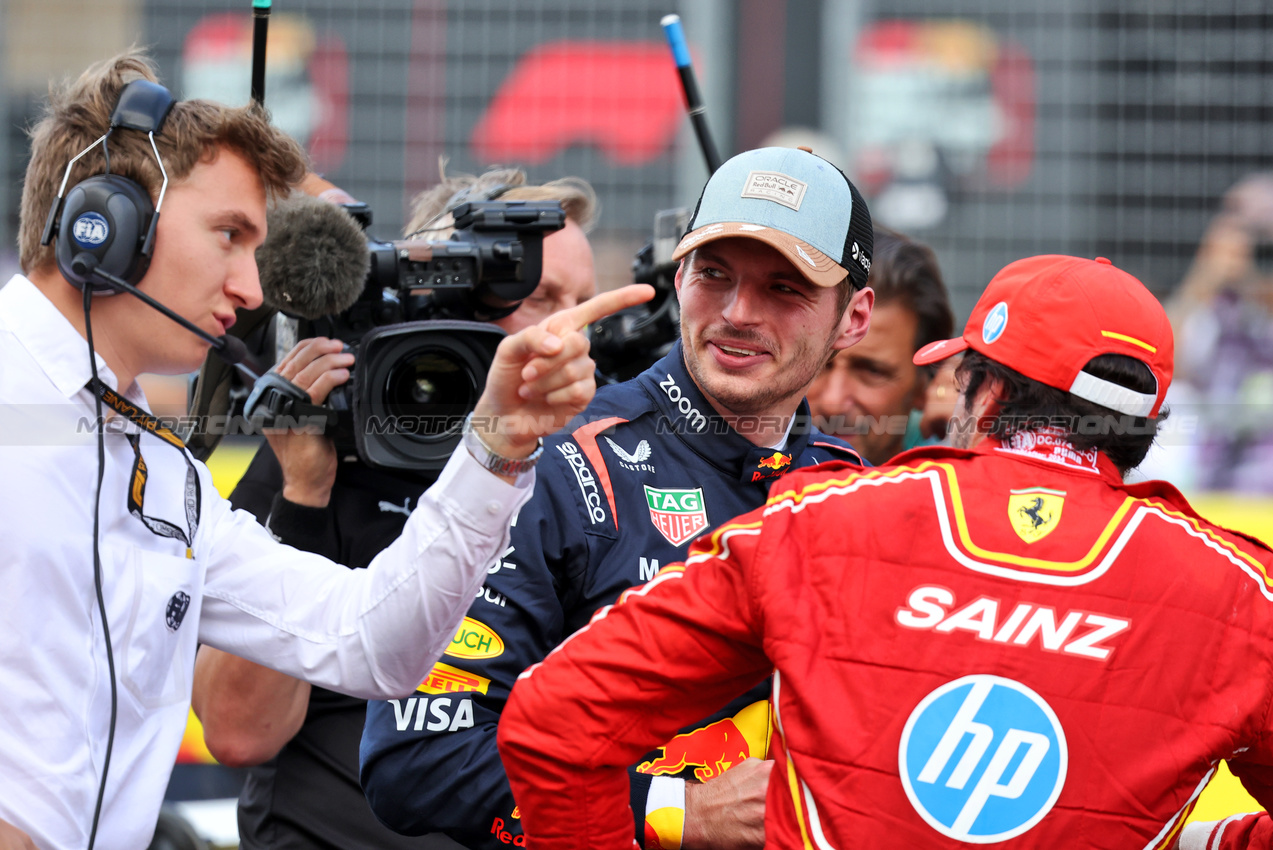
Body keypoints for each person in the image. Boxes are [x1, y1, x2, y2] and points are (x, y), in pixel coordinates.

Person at [0, 51, 650, 850]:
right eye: (228, 236)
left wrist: (497, 446)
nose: (249, 287)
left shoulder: (165, 474)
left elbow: (371, 644)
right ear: (105, 224)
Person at [496, 254, 1273, 849]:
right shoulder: (1242, 595)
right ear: (1142, 428)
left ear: (984, 394)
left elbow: (551, 725)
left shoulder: (816, 523)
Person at [360, 146, 876, 850]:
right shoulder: (554, 461)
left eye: (785, 288)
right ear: (679, 274)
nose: (736, 312)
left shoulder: (861, 495)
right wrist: (674, 813)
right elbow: (416, 762)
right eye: (713, 273)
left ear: (853, 316)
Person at [190, 166, 600, 850]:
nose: (566, 331)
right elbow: (237, 732)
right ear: (436, 287)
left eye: (583, 303)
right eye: (536, 295)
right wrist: (303, 498)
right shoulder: (324, 446)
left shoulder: (595, 465)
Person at [804, 226, 952, 464]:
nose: (833, 402)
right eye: (818, 362)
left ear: (927, 383)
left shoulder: (960, 489)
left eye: (872, 371)